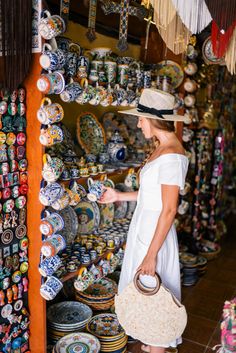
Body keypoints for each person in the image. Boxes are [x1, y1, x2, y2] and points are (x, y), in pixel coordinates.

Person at [99, 89, 190, 353]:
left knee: (154, 306)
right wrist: (119, 195)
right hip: (146, 227)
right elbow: (152, 196)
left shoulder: (172, 154)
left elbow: (169, 209)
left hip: (155, 235)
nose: (138, 123)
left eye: (141, 118)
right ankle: (150, 347)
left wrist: (151, 255)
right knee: (144, 301)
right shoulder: (162, 148)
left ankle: (156, 348)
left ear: (154, 119)